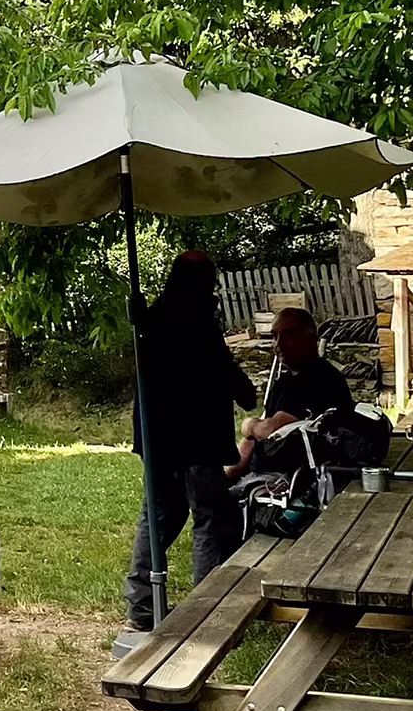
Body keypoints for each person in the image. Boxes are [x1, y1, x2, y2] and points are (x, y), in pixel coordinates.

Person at [124, 249, 257, 631]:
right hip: (196, 440)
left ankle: (141, 609)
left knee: (158, 519)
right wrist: (246, 393)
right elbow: (222, 370)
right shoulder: (198, 321)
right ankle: (206, 612)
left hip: (159, 441)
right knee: (210, 520)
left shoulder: (153, 319)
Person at [225, 307, 353, 479]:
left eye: (288, 335)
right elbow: (254, 439)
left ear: (311, 339)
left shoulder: (319, 380)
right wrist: (230, 474)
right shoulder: (286, 380)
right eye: (274, 336)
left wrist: (249, 425)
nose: (278, 344)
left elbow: (270, 431)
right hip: (260, 474)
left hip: (292, 479)